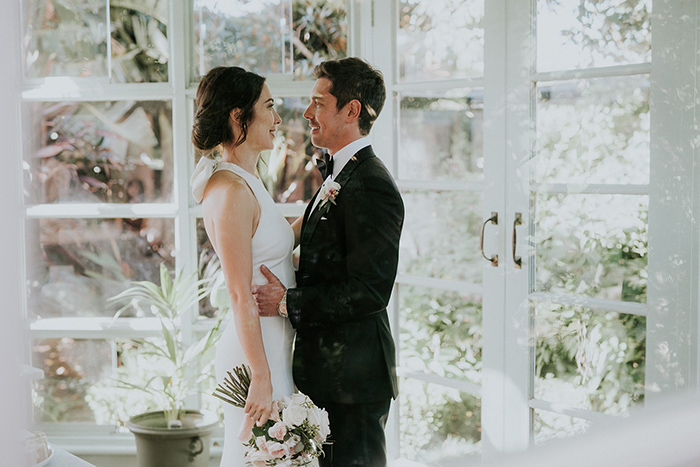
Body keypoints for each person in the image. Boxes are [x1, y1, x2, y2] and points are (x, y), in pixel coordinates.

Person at [252, 57, 404, 466]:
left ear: (351, 110)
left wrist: (288, 302)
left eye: (318, 103)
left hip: (353, 381)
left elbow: (369, 291)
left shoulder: (372, 185)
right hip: (330, 376)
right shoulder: (340, 173)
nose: (306, 113)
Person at [189, 66, 295, 466]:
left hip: (272, 345)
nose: (277, 118)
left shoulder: (246, 181)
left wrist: (329, 198)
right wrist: (261, 374)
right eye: (268, 106)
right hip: (255, 354)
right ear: (239, 117)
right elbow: (238, 292)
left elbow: (278, 245)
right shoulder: (230, 190)